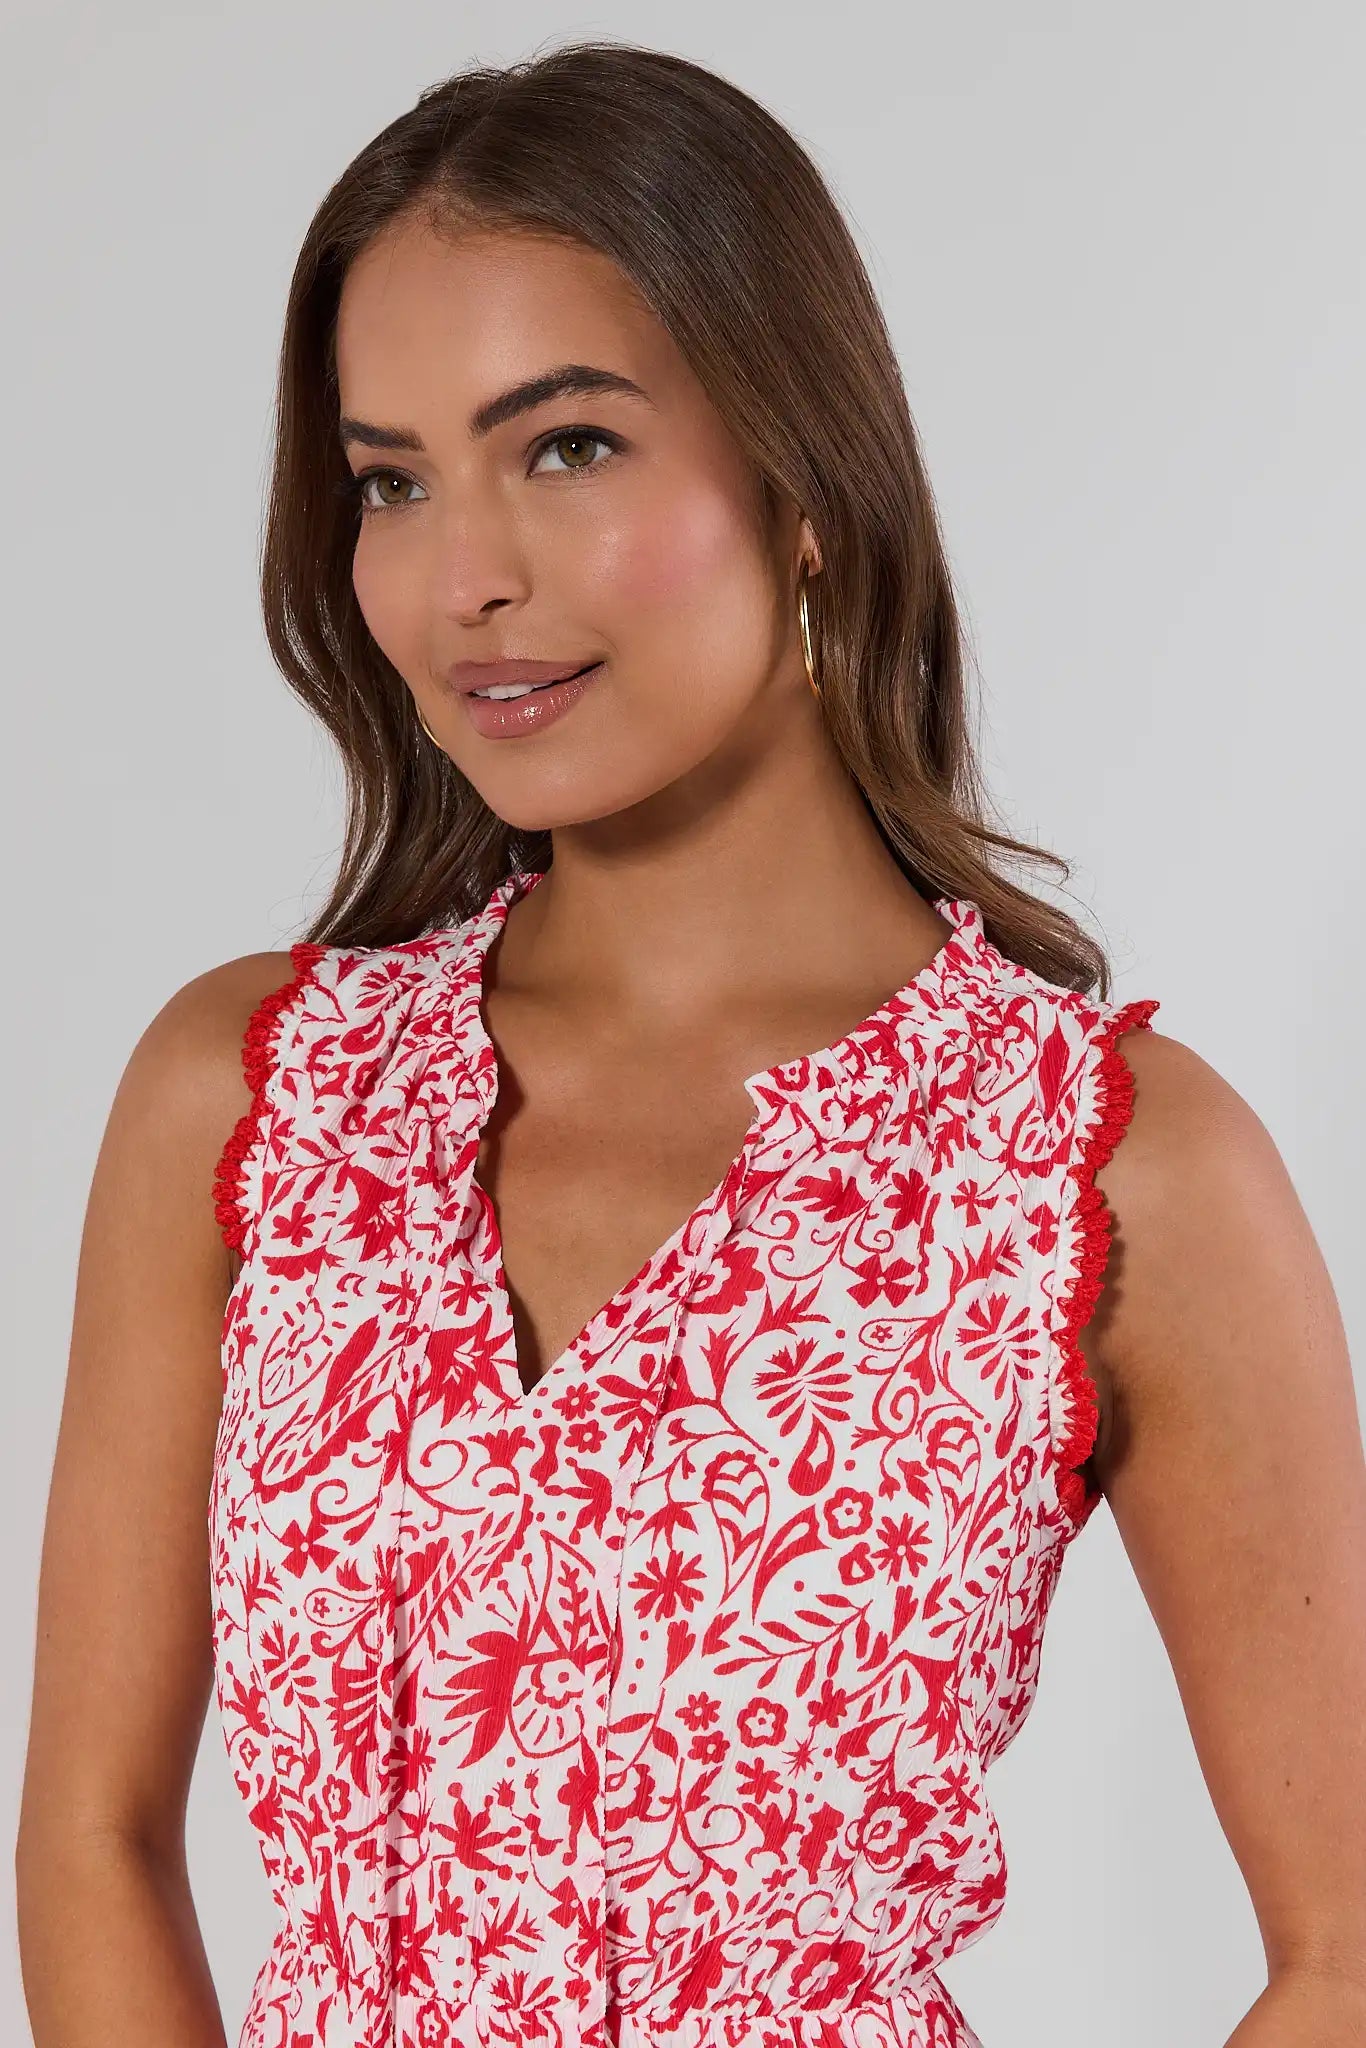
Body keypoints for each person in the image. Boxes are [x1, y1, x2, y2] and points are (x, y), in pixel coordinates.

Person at [15, 36, 1366, 2048]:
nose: (463, 575)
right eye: (391, 479)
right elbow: (92, 1839)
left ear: (801, 477)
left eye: (561, 445)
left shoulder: (1094, 1165)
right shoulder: (254, 1093)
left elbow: (1342, 1951)